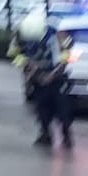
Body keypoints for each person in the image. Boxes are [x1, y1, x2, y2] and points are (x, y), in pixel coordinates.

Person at [11, 8, 73, 149]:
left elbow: (66, 52)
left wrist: (55, 72)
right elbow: (15, 55)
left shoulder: (55, 32)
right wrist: (30, 70)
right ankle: (45, 134)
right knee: (41, 108)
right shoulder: (20, 34)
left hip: (57, 76)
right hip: (37, 77)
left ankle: (66, 135)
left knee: (62, 107)